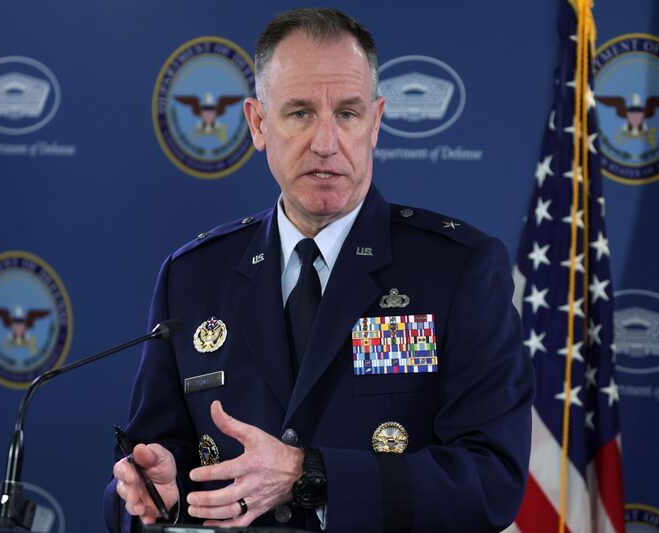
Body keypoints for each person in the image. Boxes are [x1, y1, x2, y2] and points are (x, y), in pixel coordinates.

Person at [105, 7, 534, 533]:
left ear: (375, 122)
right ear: (258, 124)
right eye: (301, 113)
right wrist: (159, 495)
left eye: (348, 114)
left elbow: (492, 482)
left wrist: (309, 474)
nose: (326, 143)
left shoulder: (458, 271)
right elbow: (139, 476)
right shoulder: (192, 278)